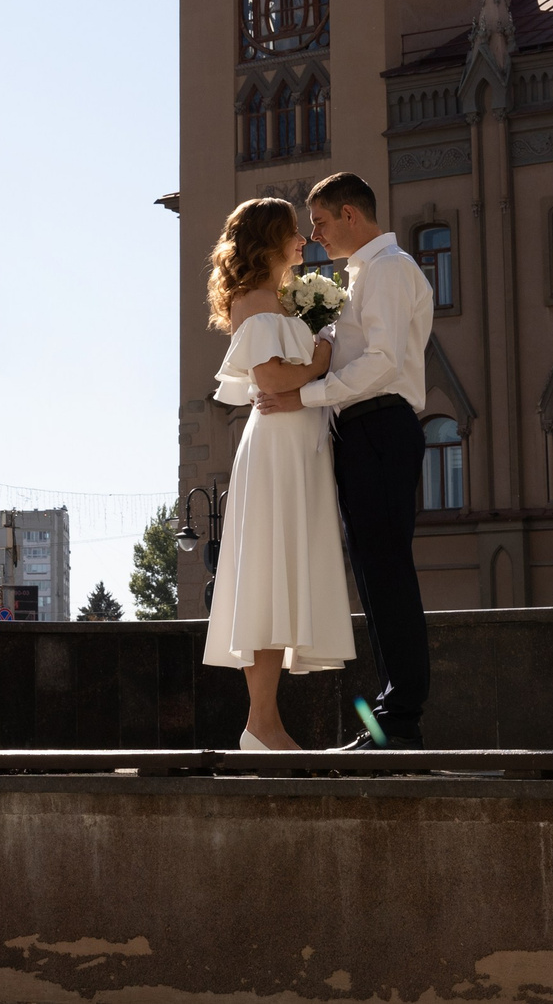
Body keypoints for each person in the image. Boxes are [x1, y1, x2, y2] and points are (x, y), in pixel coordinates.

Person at [256, 171, 434, 748]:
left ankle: (399, 720)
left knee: (386, 575)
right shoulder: (362, 275)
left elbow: (381, 362)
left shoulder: (386, 270)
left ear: (351, 215)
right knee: (377, 577)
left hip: (380, 423)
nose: (316, 235)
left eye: (323, 222)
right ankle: (393, 719)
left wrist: (301, 396)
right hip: (365, 431)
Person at [201, 196, 356, 750]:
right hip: (277, 452)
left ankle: (264, 726)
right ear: (269, 238)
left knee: (278, 578)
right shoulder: (257, 301)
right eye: (294, 232)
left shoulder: (278, 300)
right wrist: (320, 358)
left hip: (297, 448)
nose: (303, 241)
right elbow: (268, 379)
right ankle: (261, 726)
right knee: (268, 578)